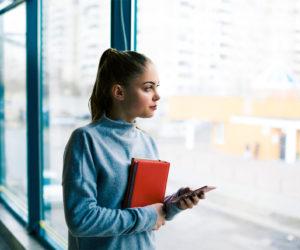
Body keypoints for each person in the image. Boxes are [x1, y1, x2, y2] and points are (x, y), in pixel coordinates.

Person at [62, 48, 205, 250]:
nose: (157, 96)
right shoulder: (85, 140)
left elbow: (145, 209)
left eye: (157, 87)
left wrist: (173, 204)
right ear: (119, 92)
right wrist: (148, 216)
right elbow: (81, 219)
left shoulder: (148, 142)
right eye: (148, 88)